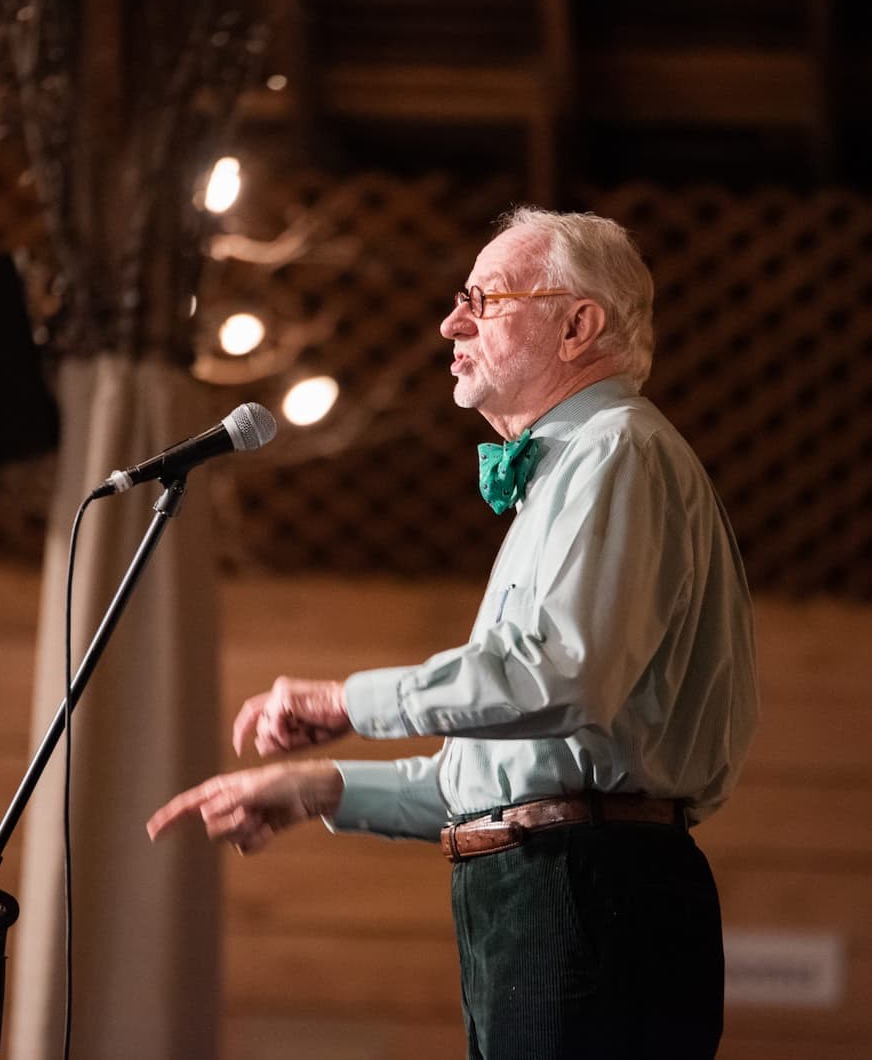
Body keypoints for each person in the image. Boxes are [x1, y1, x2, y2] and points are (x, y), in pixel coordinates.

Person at [148, 207, 759, 1060]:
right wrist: (320, 788)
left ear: (579, 325)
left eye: (486, 298)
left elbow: (558, 680)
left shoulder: (620, 449)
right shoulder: (577, 469)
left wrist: (347, 700)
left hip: (588, 893)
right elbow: (501, 779)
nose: (451, 321)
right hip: (547, 890)